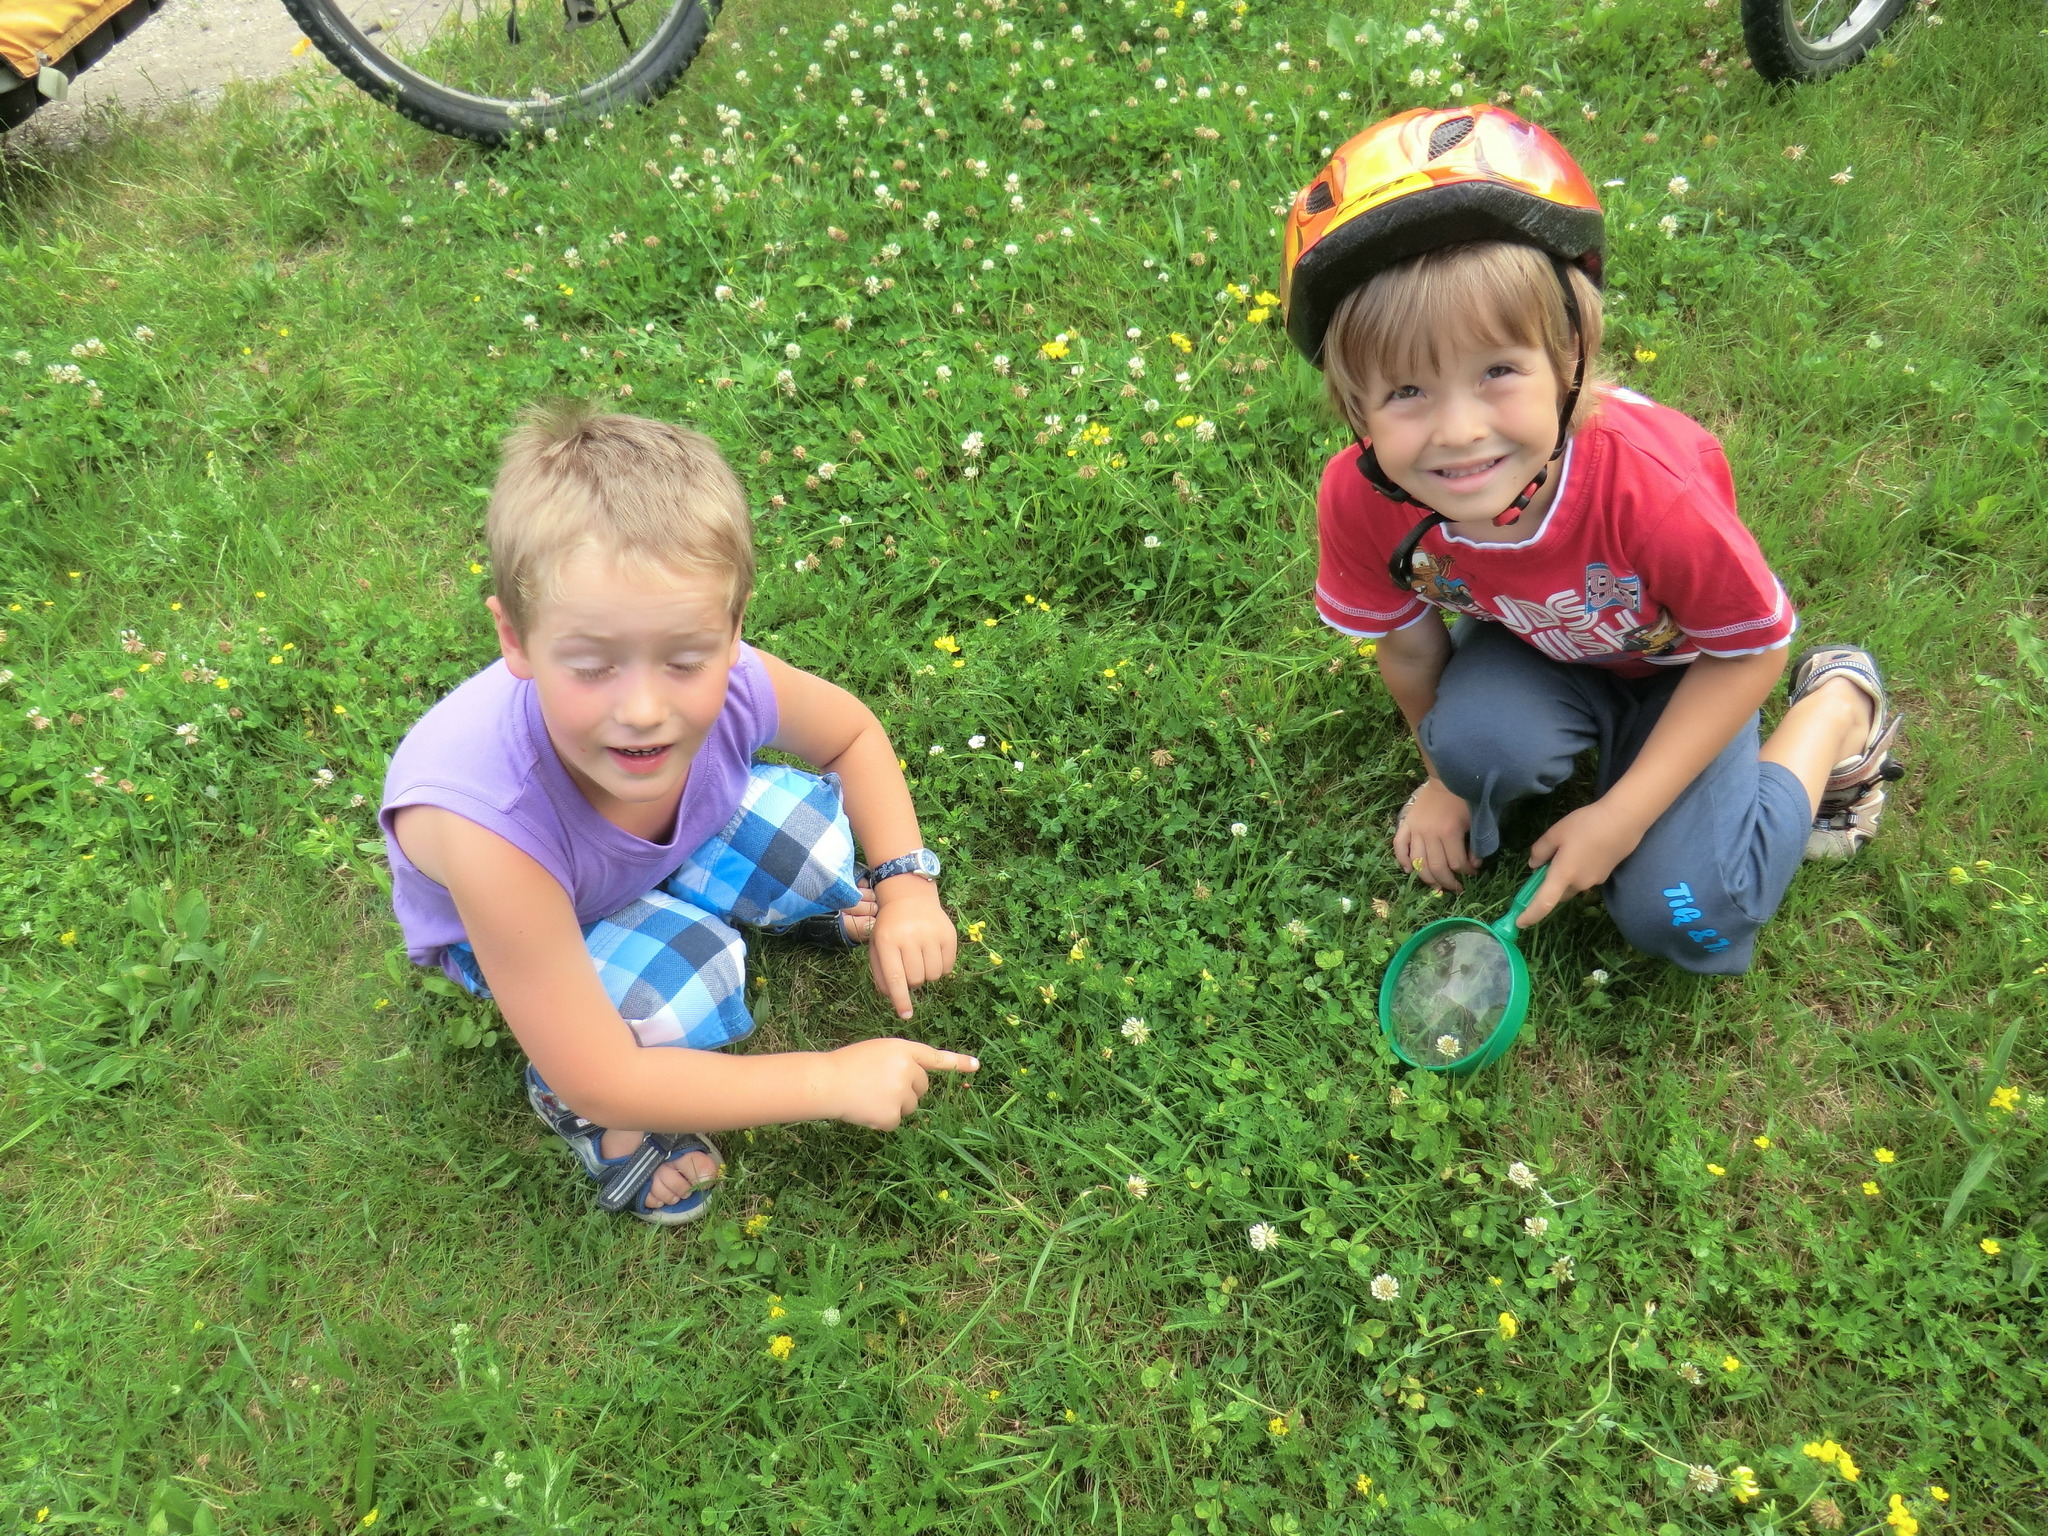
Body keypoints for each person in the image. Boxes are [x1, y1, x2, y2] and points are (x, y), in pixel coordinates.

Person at [1277, 105, 1904, 973]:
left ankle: (1836, 708)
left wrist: (1622, 817)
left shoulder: (1651, 489)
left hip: (1691, 670)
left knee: (1685, 913)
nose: (1458, 432)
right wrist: (1444, 780)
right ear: (1355, 409)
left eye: (1498, 371)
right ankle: (1546, 750)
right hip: (1542, 648)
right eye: (1407, 392)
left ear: (1570, 356)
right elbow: (1410, 650)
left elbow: (1747, 651)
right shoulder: (1363, 496)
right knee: (1473, 749)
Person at [381, 402, 974, 1224]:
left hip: (652, 841)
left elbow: (851, 735)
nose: (645, 710)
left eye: (686, 659)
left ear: (732, 632)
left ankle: (718, 900)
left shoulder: (732, 683)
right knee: (680, 988)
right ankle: (598, 1129)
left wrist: (908, 885)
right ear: (514, 638)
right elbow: (606, 1071)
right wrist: (828, 1078)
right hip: (539, 915)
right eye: (592, 666)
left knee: (816, 845)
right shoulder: (489, 827)